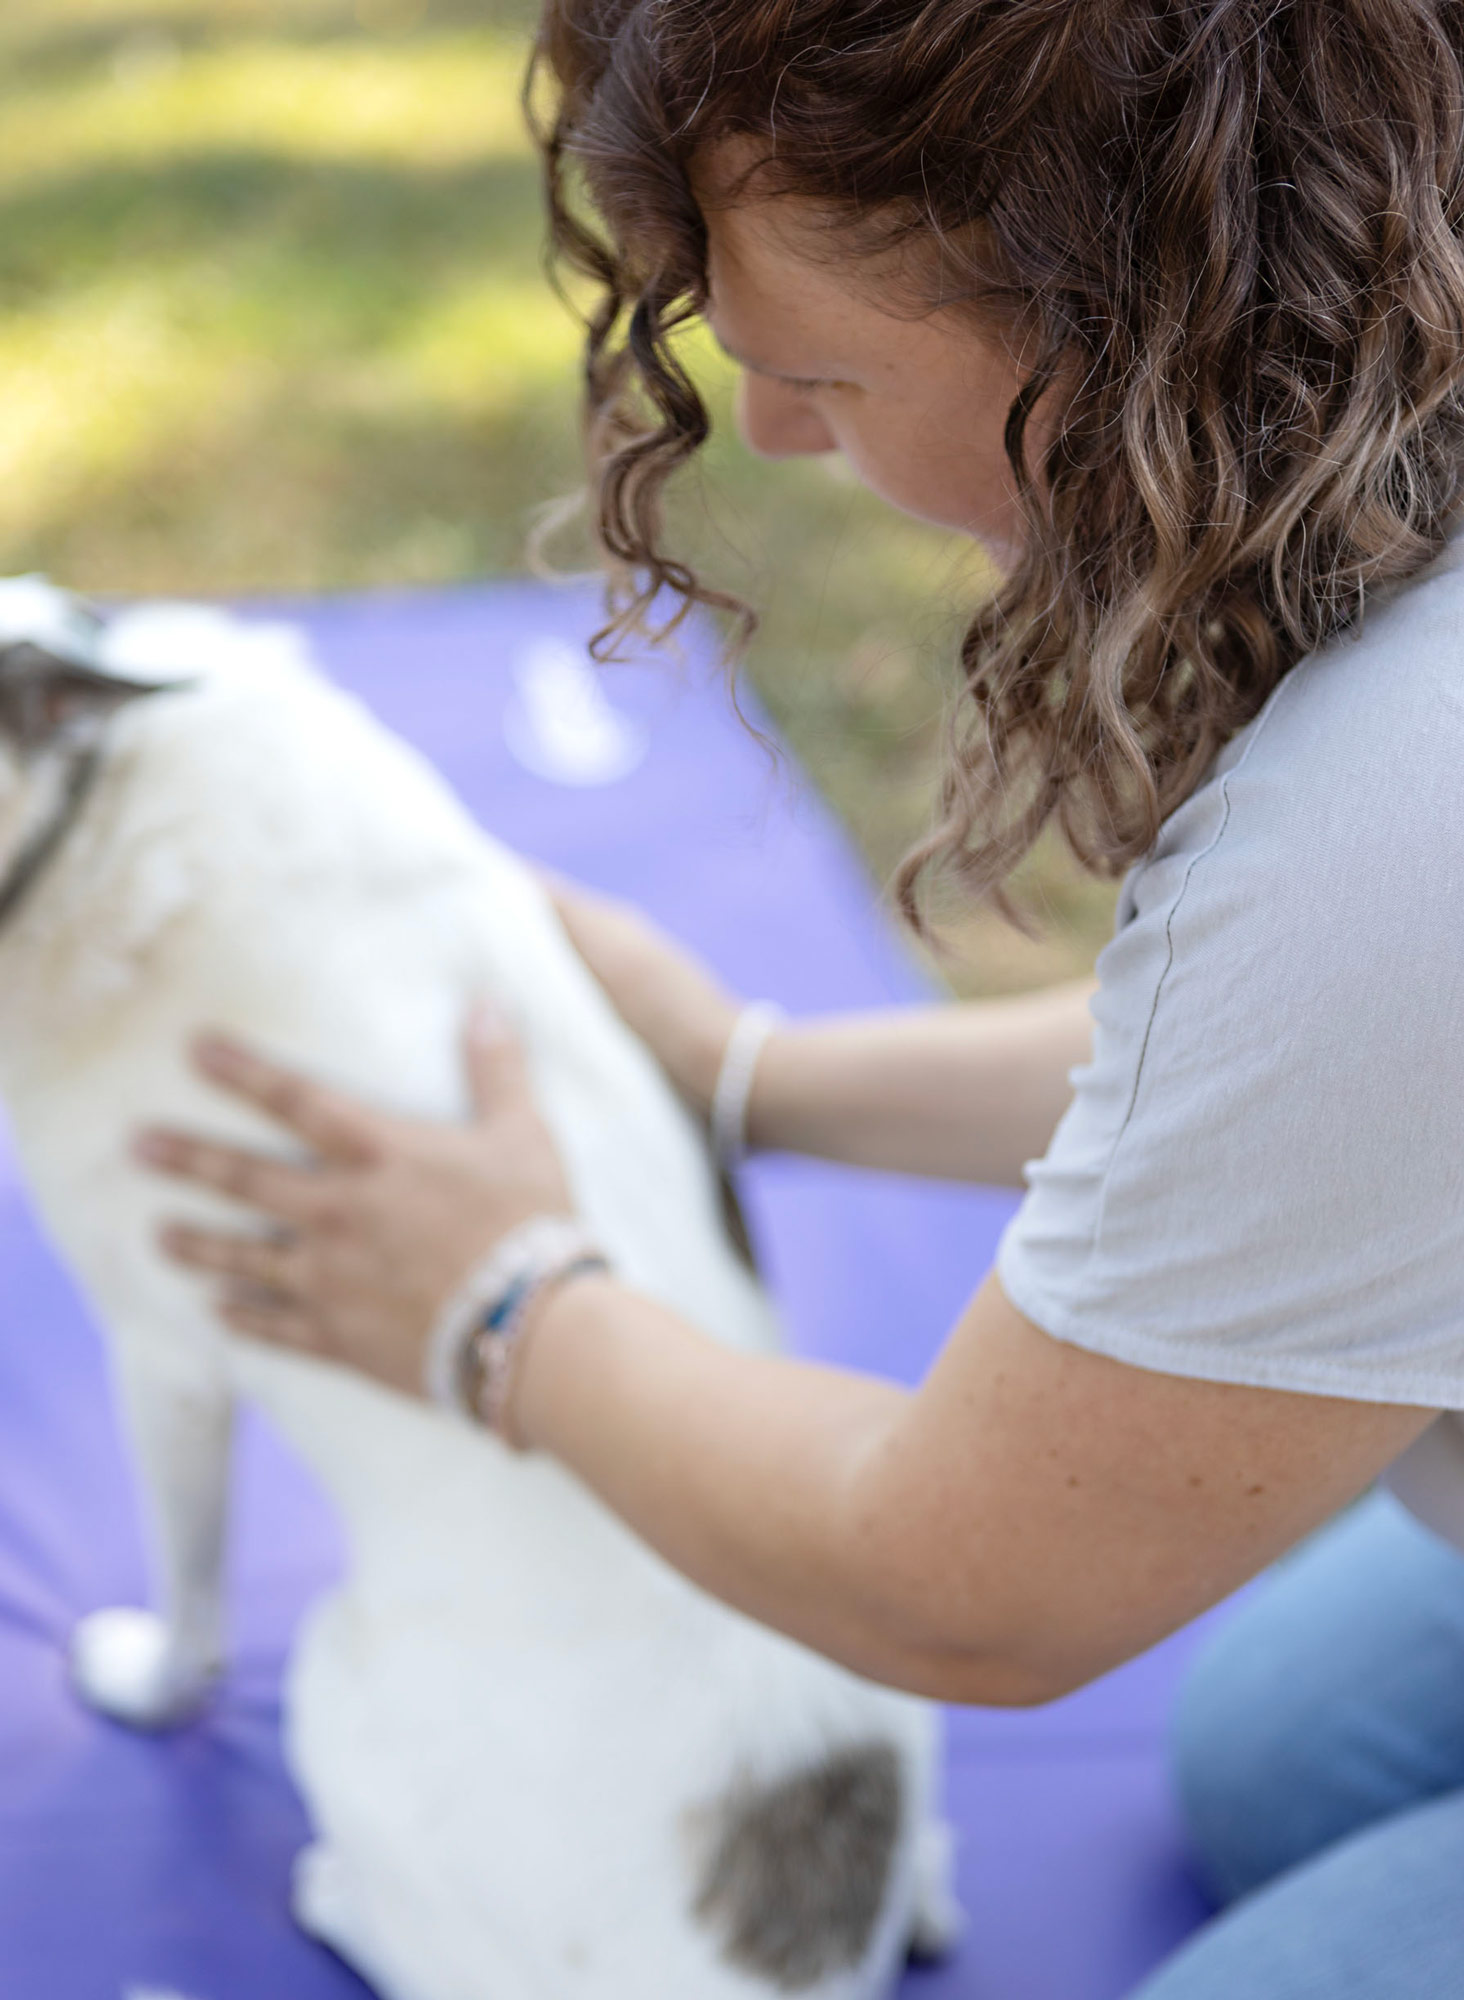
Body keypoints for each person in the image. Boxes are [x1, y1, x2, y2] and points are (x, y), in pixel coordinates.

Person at [132, 3, 1464, 1992]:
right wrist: (747, 1073)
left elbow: (970, 1591)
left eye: (819, 369)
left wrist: (501, 1304)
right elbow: (1324, 1093)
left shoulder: (1395, 803)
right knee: (1275, 1754)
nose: (757, 428)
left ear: (1108, 303)